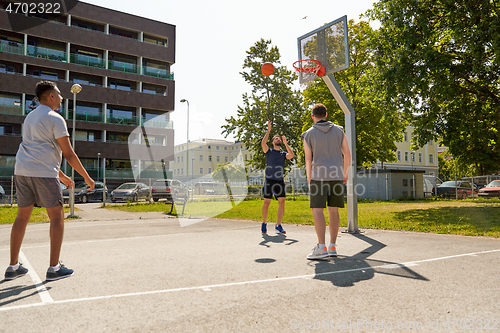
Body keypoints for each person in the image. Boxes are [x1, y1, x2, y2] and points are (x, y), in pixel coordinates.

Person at [4, 81, 94, 281]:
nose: (62, 97)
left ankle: (13, 267)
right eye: (59, 94)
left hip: (22, 170)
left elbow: (40, 150)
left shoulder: (30, 117)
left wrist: (61, 176)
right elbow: (68, 154)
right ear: (51, 96)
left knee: (22, 217)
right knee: (56, 217)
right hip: (42, 174)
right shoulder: (55, 118)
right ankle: (54, 268)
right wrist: (87, 177)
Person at [301, 103, 351, 259]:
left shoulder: (308, 134)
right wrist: (345, 173)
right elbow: (347, 155)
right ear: (326, 115)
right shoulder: (339, 131)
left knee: (317, 210)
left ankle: (321, 248)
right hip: (336, 175)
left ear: (312, 116)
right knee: (334, 210)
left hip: (318, 176)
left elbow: (308, 160)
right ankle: (333, 247)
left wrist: (309, 178)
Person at [261, 120, 294, 234]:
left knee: (282, 202)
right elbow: (263, 144)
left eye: (279, 138)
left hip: (279, 181)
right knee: (267, 202)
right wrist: (268, 130)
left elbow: (292, 155)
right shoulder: (269, 151)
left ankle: (278, 225)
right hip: (269, 180)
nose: (278, 139)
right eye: (276, 138)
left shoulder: (283, 154)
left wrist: (286, 143)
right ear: (272, 142)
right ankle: (264, 223)